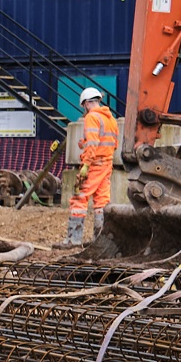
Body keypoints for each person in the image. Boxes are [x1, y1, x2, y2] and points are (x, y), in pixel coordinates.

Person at [68, 85, 118, 246]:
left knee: (79, 198)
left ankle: (73, 239)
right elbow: (113, 143)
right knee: (102, 201)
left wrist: (86, 165)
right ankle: (100, 240)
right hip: (107, 163)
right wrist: (85, 143)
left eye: (83, 106)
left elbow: (94, 142)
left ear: (86, 103)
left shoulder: (92, 117)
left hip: (94, 164)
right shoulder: (110, 119)